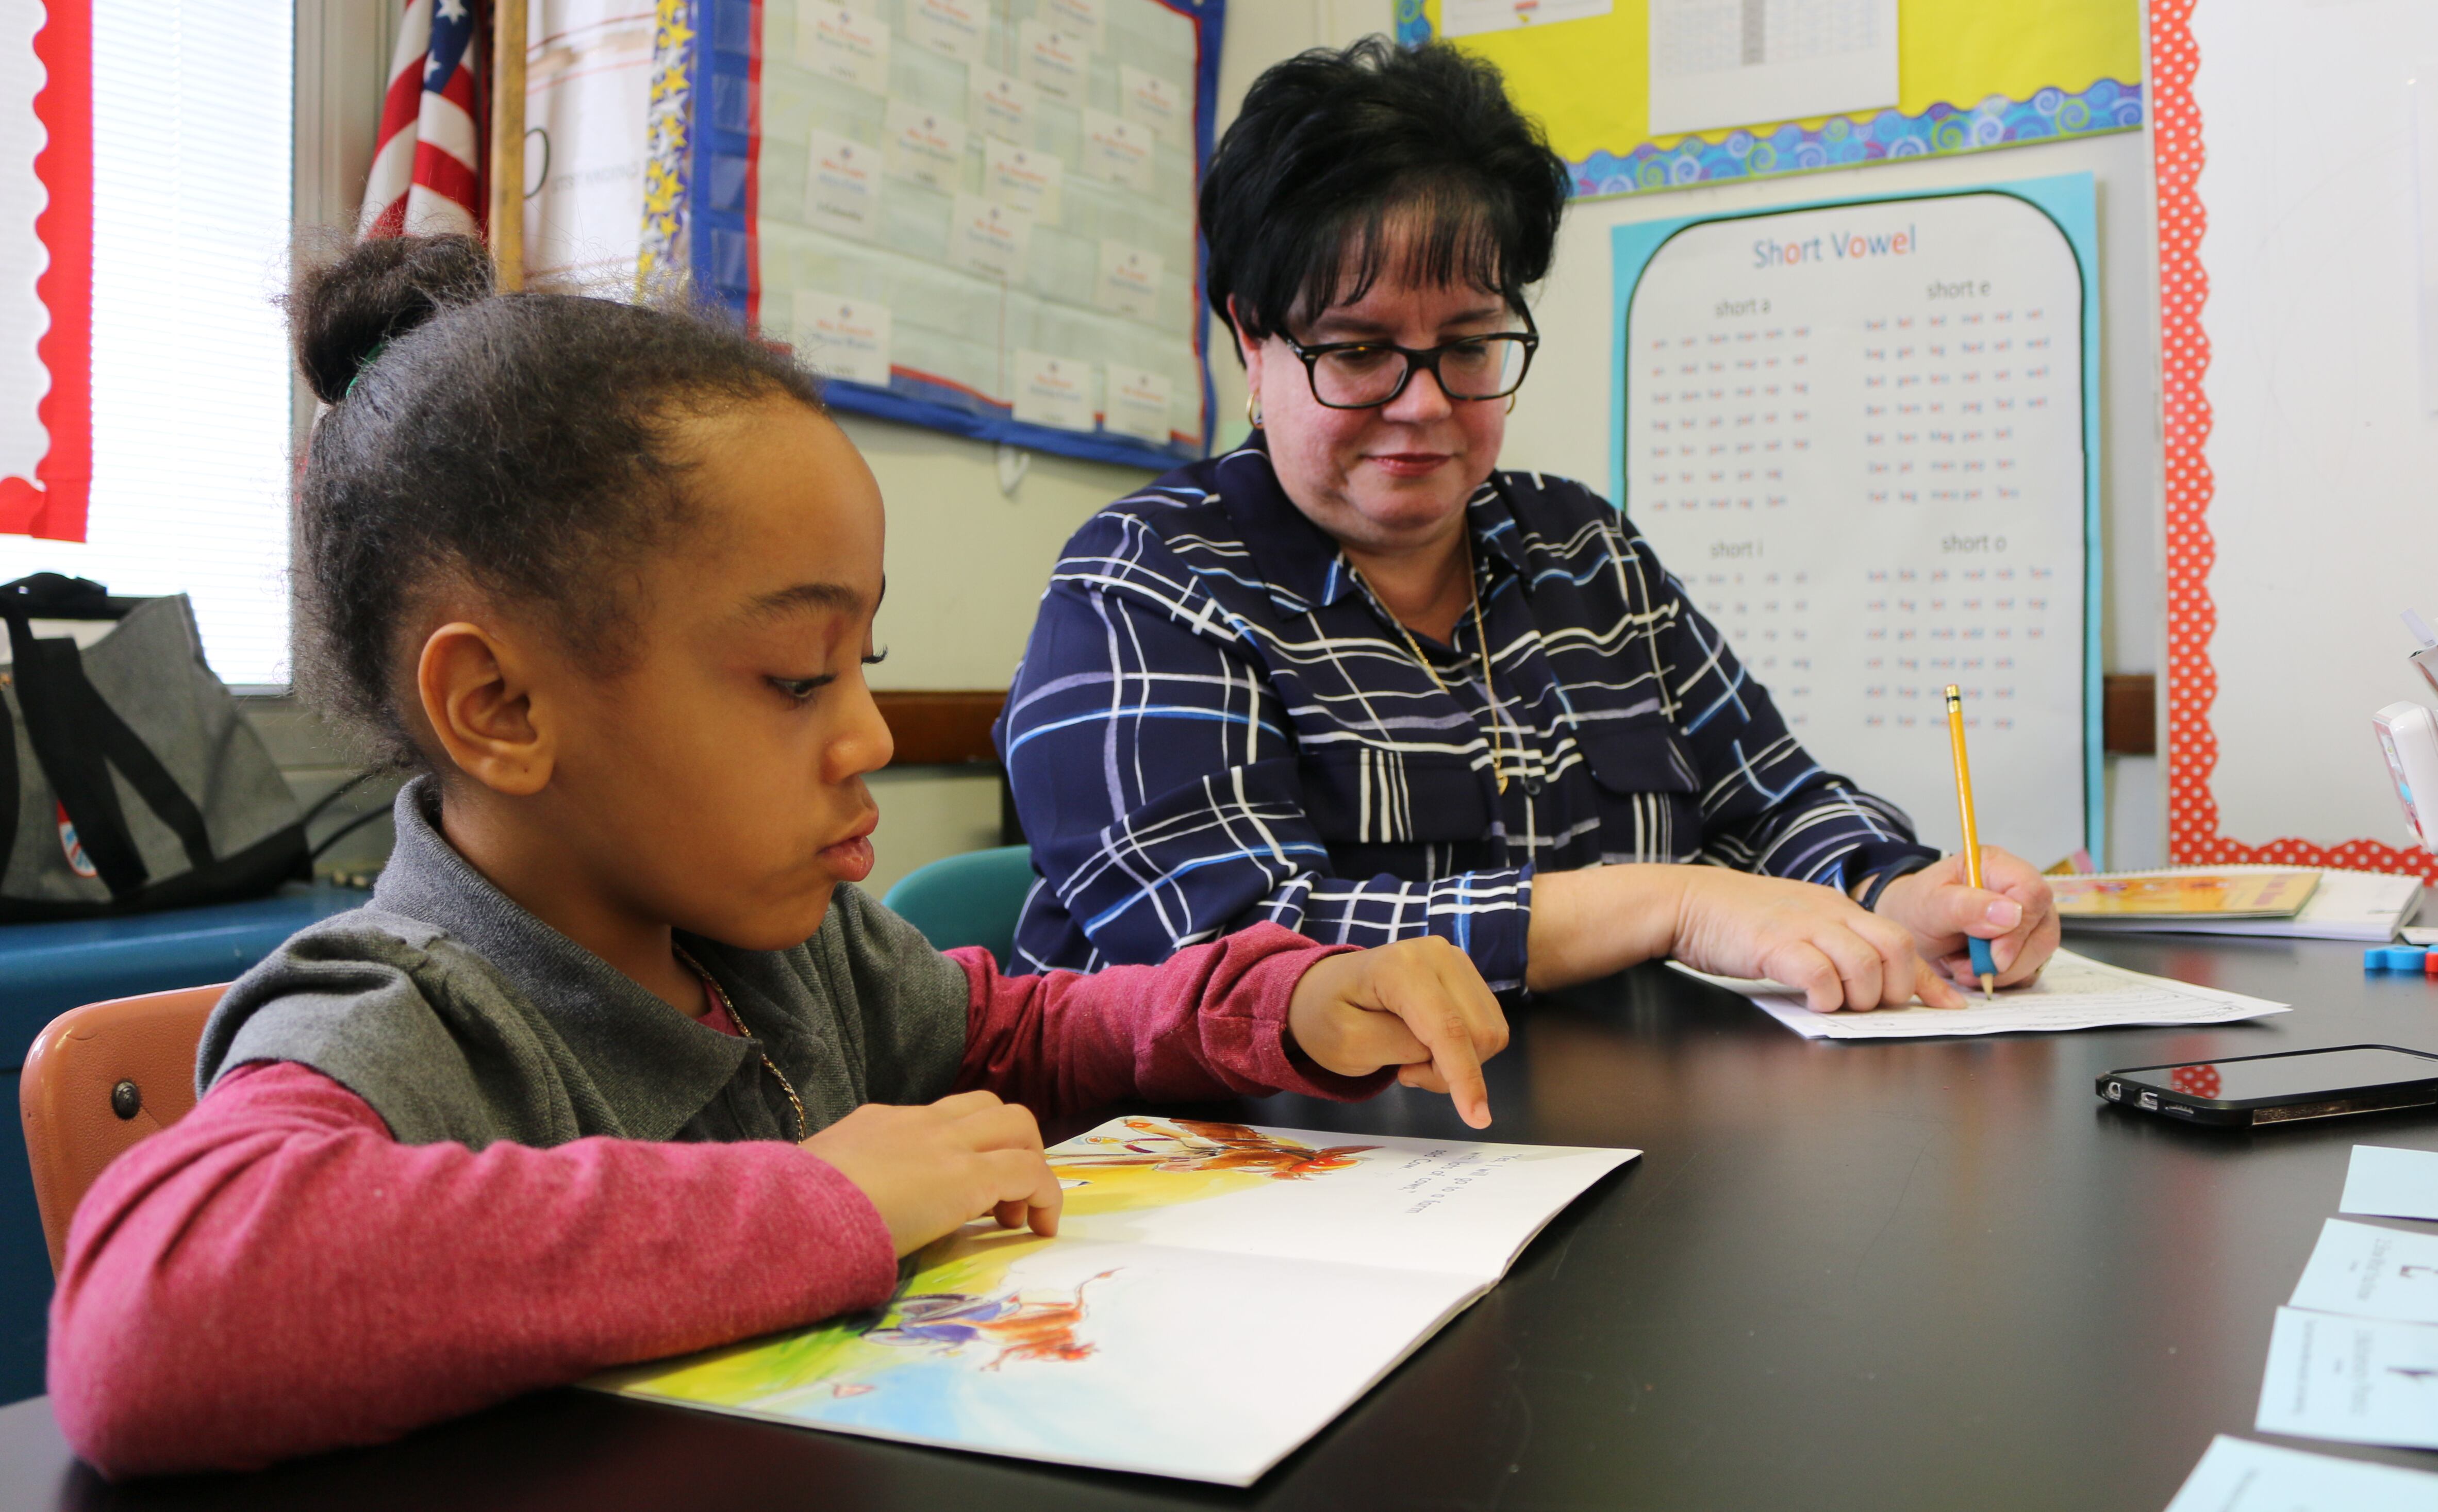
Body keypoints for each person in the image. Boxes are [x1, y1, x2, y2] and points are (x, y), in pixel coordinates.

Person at [47, 236, 1506, 1478]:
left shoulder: (785, 944)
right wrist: (829, 1202)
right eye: (798, 678)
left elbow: (1017, 1028)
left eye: (861, 664)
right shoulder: (404, 1020)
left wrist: (1280, 1001)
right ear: (500, 706)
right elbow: (142, 1317)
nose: (869, 735)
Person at [1001, 38, 2061, 1008]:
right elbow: (1237, 949)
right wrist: (1673, 902)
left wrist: (1894, 886)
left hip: (1590, 1145)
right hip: (1250, 1179)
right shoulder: (1143, 581)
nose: (1422, 405)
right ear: (1252, 340)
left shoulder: (1580, 549)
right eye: (1359, 351)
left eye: (1468, 345)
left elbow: (1768, 799)